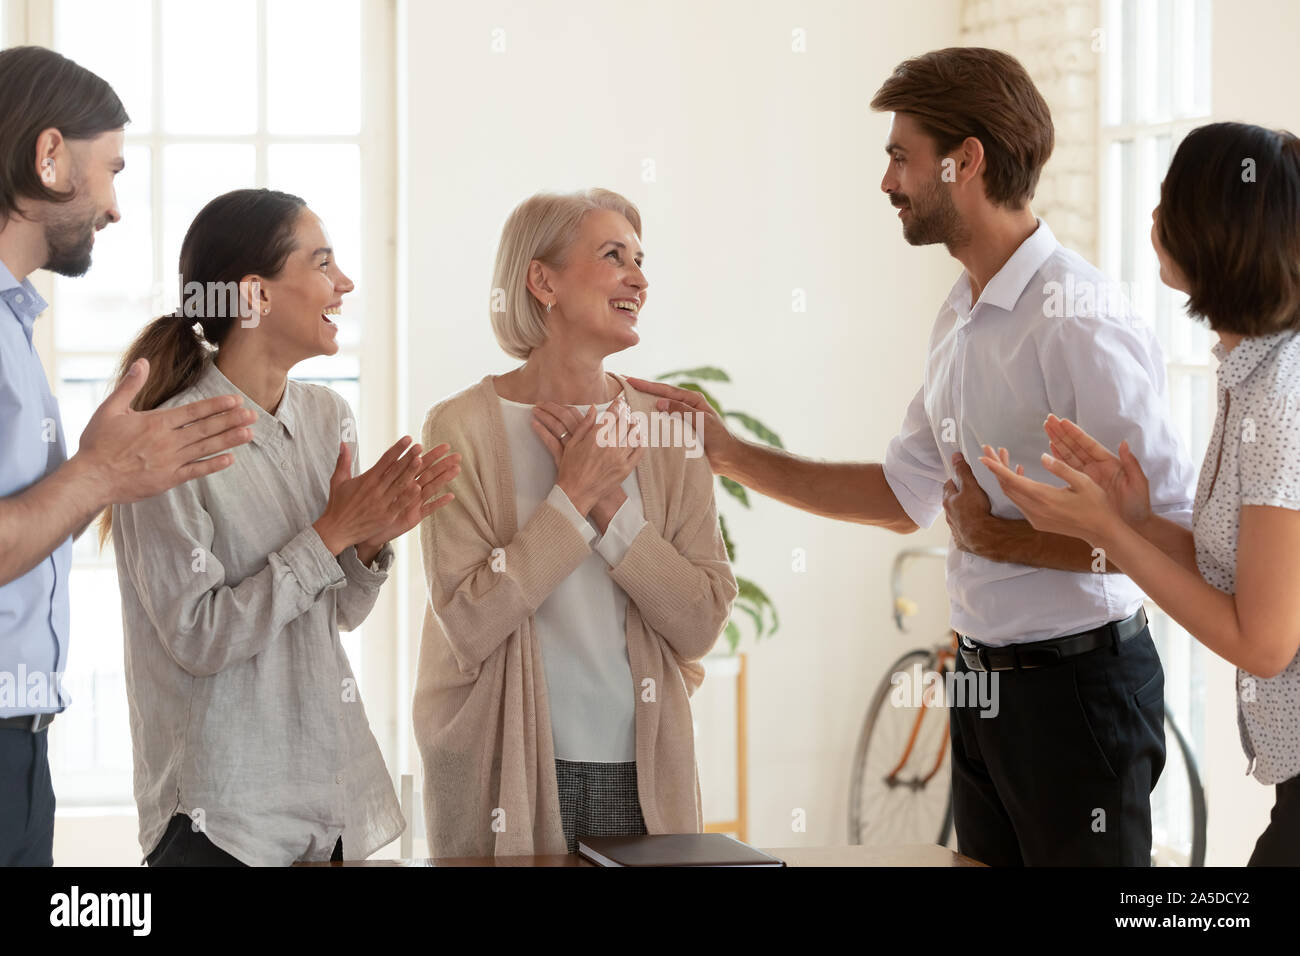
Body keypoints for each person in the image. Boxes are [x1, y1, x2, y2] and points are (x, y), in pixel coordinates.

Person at [630, 47, 1198, 866]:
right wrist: (728, 453)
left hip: (1079, 694)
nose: (888, 181)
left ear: (964, 161)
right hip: (983, 685)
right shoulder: (962, 315)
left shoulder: (1080, 320)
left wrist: (1007, 542)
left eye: (901, 156)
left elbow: (1170, 539)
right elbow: (905, 494)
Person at [106, 188, 460, 865]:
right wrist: (328, 535)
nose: (345, 283)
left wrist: (367, 542)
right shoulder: (170, 437)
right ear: (255, 297)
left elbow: (339, 613)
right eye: (323, 263)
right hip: (221, 820)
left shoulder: (327, 417)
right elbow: (198, 637)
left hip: (322, 804)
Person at [979, 122, 1300, 866]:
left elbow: (1264, 640)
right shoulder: (1249, 374)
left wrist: (1110, 535)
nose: (1153, 218)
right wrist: (1137, 521)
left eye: (1170, 202)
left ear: (1220, 230)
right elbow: (1242, 576)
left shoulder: (1281, 394)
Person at [413, 188, 737, 856]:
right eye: (613, 255)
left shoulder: (669, 426)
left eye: (641, 260)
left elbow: (701, 620)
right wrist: (571, 494)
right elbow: (467, 621)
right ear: (542, 281)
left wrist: (609, 509)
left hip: (643, 766)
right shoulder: (462, 427)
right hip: (504, 762)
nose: (639, 278)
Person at [0, 46, 253, 866]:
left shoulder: (15, 324)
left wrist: (105, 474)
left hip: (23, 736)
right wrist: (100, 474)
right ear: (48, 156)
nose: (113, 208)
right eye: (109, 168)